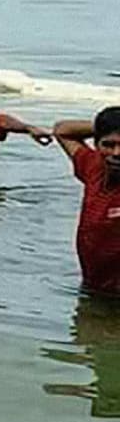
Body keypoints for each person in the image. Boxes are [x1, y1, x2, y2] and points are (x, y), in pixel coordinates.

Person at [53, 106, 120, 293]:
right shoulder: (93, 168)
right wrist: (105, 125)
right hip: (94, 288)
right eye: (108, 145)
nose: (116, 153)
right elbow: (62, 131)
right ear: (97, 144)